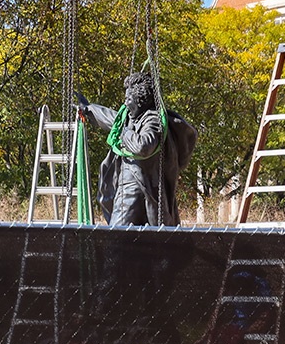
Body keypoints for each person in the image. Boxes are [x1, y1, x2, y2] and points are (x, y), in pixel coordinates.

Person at [77, 71, 200, 227]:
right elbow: (112, 118)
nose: (125, 104)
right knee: (123, 235)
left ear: (141, 101)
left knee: (118, 236)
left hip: (136, 189)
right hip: (126, 187)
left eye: (129, 99)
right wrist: (89, 109)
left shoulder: (153, 119)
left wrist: (123, 131)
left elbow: (144, 146)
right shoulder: (130, 116)